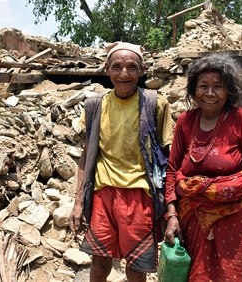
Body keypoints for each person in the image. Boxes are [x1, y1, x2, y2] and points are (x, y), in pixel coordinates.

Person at [68, 42, 173, 282]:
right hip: (103, 196)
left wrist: (170, 208)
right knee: (99, 262)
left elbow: (167, 158)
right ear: (107, 70)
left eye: (131, 67)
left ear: (142, 70)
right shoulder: (95, 105)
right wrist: (77, 203)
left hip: (140, 196)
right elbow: (87, 154)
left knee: (135, 267)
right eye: (116, 67)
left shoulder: (155, 103)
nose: (123, 74)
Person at [163, 54, 242, 281]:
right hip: (192, 222)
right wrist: (172, 215)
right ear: (193, 89)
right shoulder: (185, 121)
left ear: (229, 90)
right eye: (203, 86)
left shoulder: (241, 119)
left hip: (234, 222)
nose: (210, 93)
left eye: (218, 87)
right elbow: (172, 171)